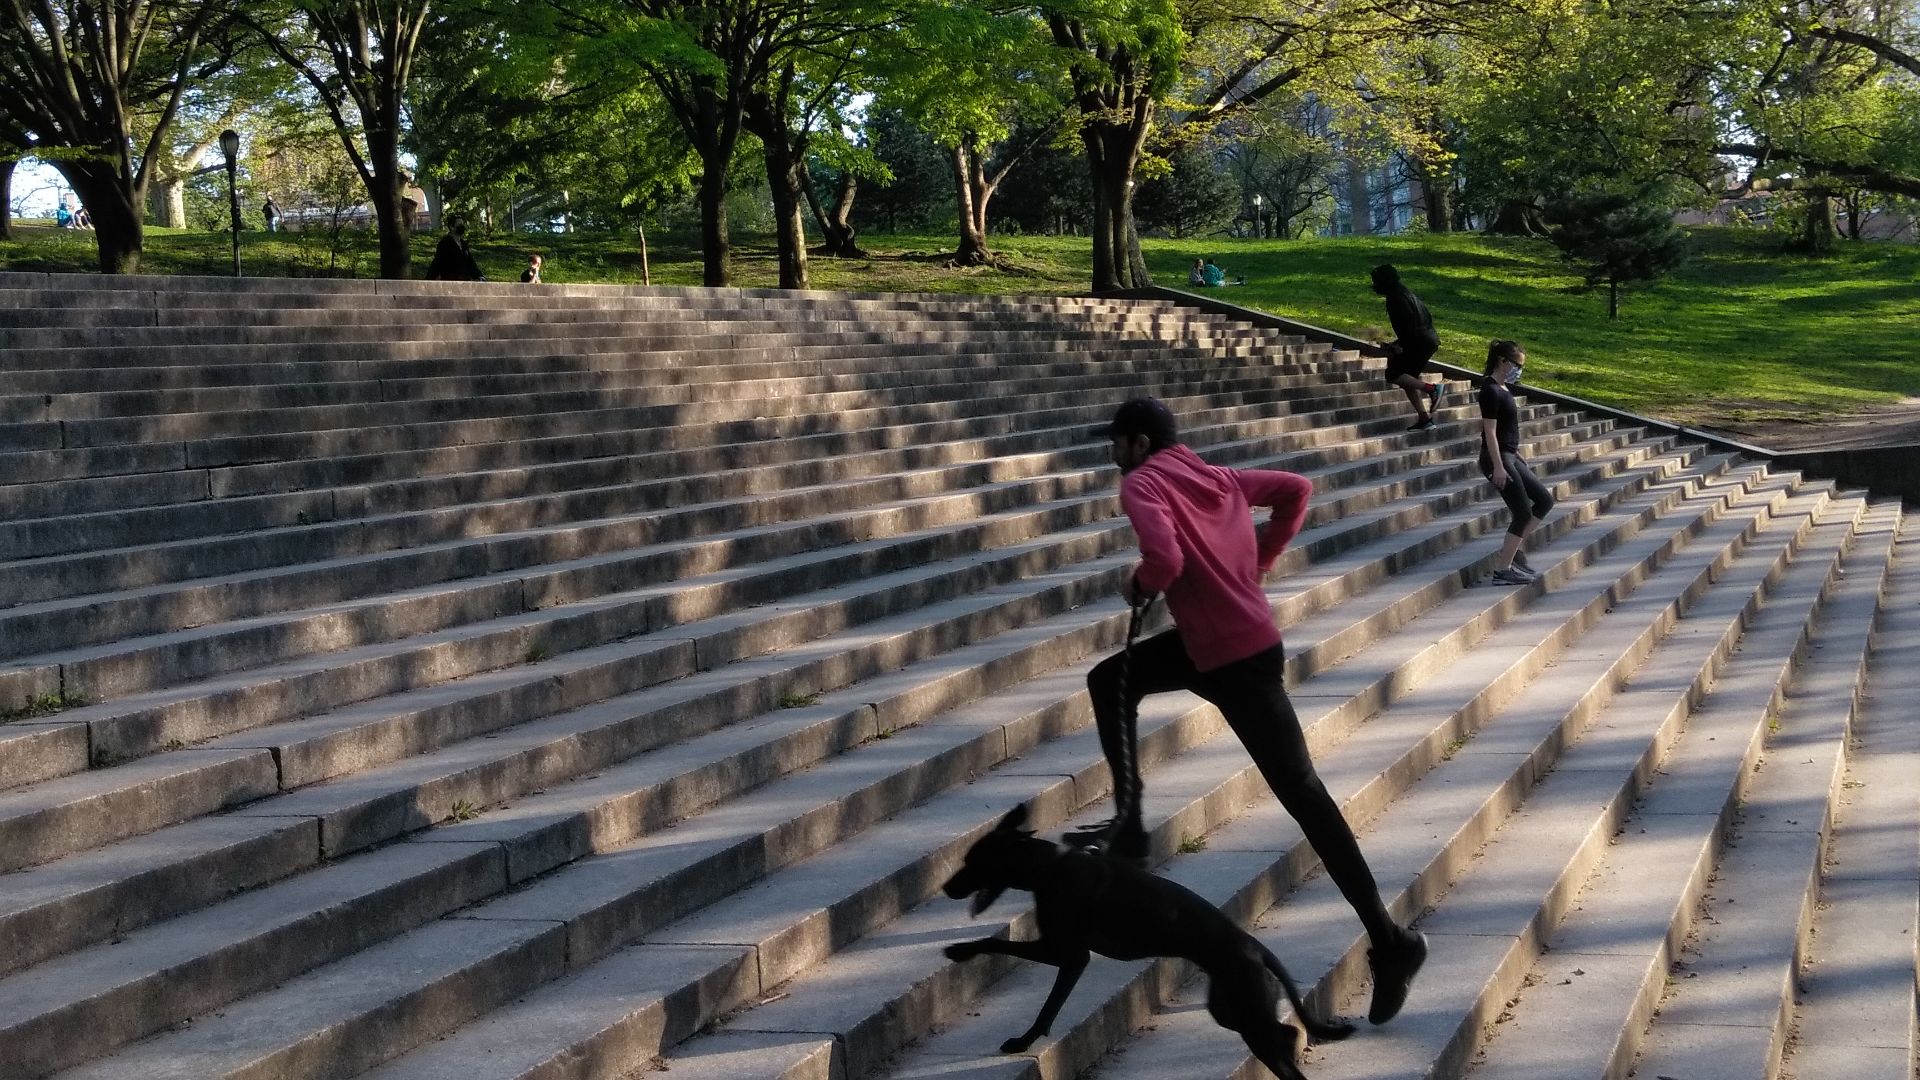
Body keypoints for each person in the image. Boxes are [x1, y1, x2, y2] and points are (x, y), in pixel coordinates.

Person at [1068, 396, 1430, 1025]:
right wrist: (1257, 564)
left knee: (1305, 795)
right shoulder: (1220, 478)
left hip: (1234, 660)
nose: (1112, 455)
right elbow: (1295, 489)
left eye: (1115, 444)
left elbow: (1166, 560)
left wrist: (1140, 584)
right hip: (1225, 645)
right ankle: (1129, 821)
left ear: (1137, 442)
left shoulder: (1143, 484)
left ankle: (1393, 942)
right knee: (1110, 681)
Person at [1479, 340, 1552, 585]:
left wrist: (1514, 452)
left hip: (1510, 455)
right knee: (1521, 512)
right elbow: (1489, 432)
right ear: (1502, 361)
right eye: (1516, 365)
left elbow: (1506, 429)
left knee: (1544, 500)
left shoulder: (1504, 388)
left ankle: (1515, 550)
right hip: (1496, 459)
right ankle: (1502, 570)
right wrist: (1498, 466)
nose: (1518, 370)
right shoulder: (1490, 390)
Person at [1371, 264, 1444, 431]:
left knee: (1393, 373)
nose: (1374, 286)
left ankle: (1432, 389)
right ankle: (1424, 418)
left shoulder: (1395, 298)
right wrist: (1396, 344)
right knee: (1408, 377)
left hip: (1420, 341)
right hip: (1427, 338)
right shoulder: (1404, 293)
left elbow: (1409, 327)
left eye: (1376, 282)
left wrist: (1400, 345)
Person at [425, 214, 484, 281]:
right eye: (459, 225)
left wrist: (479, 275)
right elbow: (437, 263)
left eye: (462, 224)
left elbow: (471, 263)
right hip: (451, 282)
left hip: (465, 282)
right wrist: (427, 281)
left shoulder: (464, 244)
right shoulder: (444, 244)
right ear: (452, 227)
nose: (462, 227)